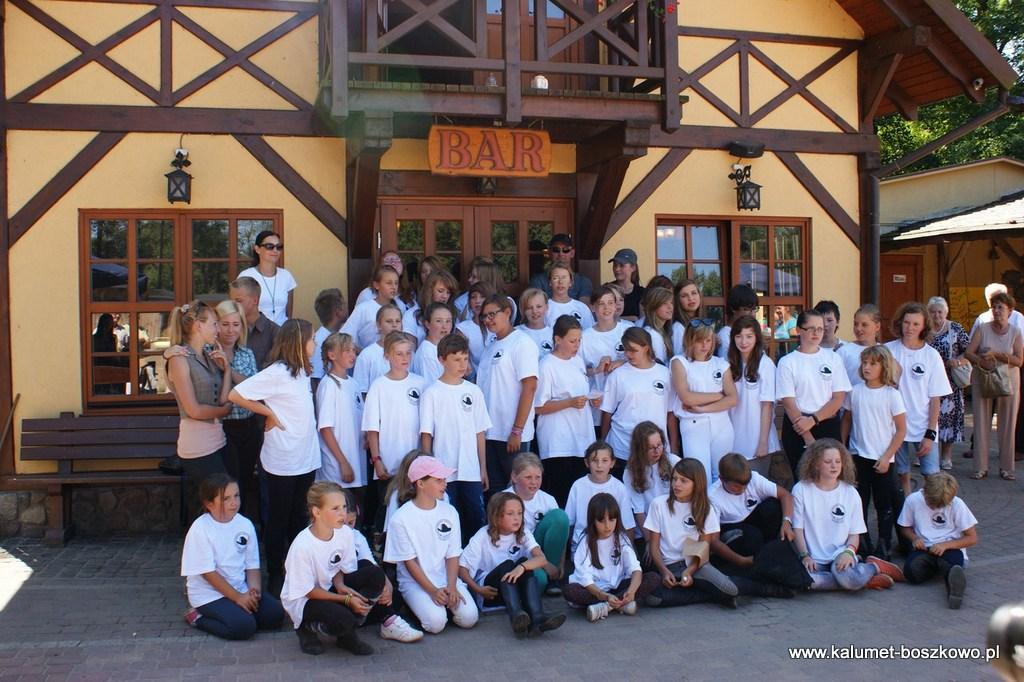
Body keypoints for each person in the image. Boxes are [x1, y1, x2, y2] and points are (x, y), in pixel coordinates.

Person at [230, 319, 320, 597]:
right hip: (283, 459)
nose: (315, 344)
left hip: (306, 457)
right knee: (278, 519)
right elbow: (236, 394)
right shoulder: (277, 372)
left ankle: (297, 571)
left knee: (299, 517)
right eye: (311, 339)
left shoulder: (303, 371)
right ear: (299, 342)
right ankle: (275, 573)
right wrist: (268, 413)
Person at [282, 481, 423, 656]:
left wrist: (341, 585)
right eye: (335, 508)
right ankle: (307, 627)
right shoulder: (302, 546)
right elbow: (308, 591)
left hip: (329, 587)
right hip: (306, 600)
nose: (342, 513)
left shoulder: (345, 532)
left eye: (343, 507)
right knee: (343, 617)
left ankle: (346, 631)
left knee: (374, 573)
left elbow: (340, 567)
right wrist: (346, 599)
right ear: (316, 512)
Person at [383, 456, 480, 634]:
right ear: (420, 483)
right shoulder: (401, 518)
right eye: (438, 480)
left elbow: (453, 554)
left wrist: (452, 586)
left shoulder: (450, 511)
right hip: (415, 583)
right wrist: (433, 591)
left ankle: (443, 605)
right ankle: (418, 608)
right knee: (436, 624)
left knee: (469, 618)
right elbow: (410, 562)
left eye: (444, 479)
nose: (445, 484)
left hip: (447, 578)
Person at [181, 474, 283, 638]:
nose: (234, 502)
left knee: (275, 615)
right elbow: (208, 573)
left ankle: (239, 612)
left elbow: (252, 566)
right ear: (209, 504)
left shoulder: (245, 524)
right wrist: (238, 598)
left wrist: (253, 591)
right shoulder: (200, 529)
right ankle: (197, 618)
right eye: (226, 499)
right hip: (209, 595)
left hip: (240, 588)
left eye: (236, 496)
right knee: (244, 627)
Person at [792, 439, 902, 592]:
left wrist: (849, 552)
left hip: (840, 554)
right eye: (828, 461)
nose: (834, 466)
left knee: (844, 576)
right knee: (806, 582)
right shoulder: (801, 489)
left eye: (838, 461)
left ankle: (872, 567)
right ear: (815, 464)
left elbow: (854, 534)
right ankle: (864, 578)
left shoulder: (850, 493)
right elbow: (797, 529)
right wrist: (805, 556)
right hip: (813, 558)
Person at [458, 493, 566, 636]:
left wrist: (522, 567)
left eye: (520, 513)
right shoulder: (482, 536)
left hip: (514, 589)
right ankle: (516, 616)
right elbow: (462, 568)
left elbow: (541, 559)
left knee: (524, 563)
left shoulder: (523, 532)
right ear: (496, 517)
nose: (517, 518)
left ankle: (537, 618)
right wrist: (477, 589)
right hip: (491, 592)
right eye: (510, 514)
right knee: (508, 564)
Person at [420, 333, 492, 542]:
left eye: (465, 358)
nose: (462, 364)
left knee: (476, 517)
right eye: (456, 359)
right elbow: (427, 434)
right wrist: (429, 469)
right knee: (449, 518)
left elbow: (480, 432)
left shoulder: (474, 391)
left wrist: (482, 468)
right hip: (444, 469)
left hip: (470, 469)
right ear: (442, 360)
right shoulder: (432, 392)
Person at [643, 459, 740, 609]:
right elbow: (654, 546)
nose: (677, 484)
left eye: (683, 481)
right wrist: (664, 571)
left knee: (731, 590)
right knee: (653, 599)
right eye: (674, 479)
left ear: (696, 483)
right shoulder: (659, 504)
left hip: (694, 564)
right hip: (669, 565)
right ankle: (710, 595)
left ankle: (707, 591)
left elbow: (703, 546)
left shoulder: (705, 508)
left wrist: (690, 570)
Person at [840, 345, 907, 560]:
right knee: (860, 501)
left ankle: (884, 544)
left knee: (883, 504)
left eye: (873, 364)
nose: (867, 367)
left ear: (884, 367)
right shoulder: (855, 391)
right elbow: (847, 420)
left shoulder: (892, 395)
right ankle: (862, 542)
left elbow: (901, 430)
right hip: (858, 457)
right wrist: (844, 449)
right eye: (864, 363)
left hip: (882, 459)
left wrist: (887, 456)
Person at [886, 302, 952, 495]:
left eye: (916, 324)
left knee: (932, 476)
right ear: (900, 323)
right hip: (894, 425)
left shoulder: (931, 356)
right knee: (901, 473)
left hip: (923, 425)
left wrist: (930, 433)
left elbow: (935, 398)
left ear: (924, 326)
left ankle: (930, 509)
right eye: (907, 323)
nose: (910, 328)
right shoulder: (888, 350)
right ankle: (906, 507)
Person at [166, 301, 231, 497]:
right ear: (198, 326)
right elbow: (193, 410)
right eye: (214, 324)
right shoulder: (179, 358)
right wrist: (224, 411)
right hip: (197, 447)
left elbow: (222, 399)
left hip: (218, 440)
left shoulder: (208, 356)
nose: (218, 330)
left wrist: (227, 369)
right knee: (219, 501)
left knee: (226, 500)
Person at [777, 309, 851, 480]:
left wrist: (814, 420)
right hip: (797, 426)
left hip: (827, 424)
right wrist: (807, 436)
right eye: (811, 328)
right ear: (798, 330)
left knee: (831, 479)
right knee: (804, 479)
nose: (816, 333)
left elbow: (838, 398)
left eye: (820, 329)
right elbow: (788, 402)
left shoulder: (833, 358)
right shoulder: (787, 362)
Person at [364, 331, 426, 532]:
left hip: (415, 461)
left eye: (408, 353)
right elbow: (372, 428)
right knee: (388, 509)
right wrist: (377, 459)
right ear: (387, 356)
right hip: (389, 463)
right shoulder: (379, 386)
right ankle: (382, 545)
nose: (405, 358)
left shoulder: (421, 383)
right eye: (399, 354)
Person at [535, 315, 601, 500]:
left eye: (579, 340)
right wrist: (569, 403)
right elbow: (538, 406)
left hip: (581, 439)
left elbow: (580, 393)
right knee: (561, 494)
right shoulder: (547, 365)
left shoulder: (577, 361)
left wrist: (591, 400)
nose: (577, 345)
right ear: (558, 339)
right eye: (572, 341)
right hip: (558, 443)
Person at [478, 294, 539, 494]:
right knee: (495, 493)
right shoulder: (490, 346)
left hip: (512, 435)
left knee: (517, 492)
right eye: (484, 316)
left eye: (492, 314)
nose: (488, 320)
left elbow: (529, 386)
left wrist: (517, 430)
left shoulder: (522, 343)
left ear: (507, 312)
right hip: (490, 433)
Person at [563, 493, 659, 621]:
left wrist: (631, 591)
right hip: (595, 590)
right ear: (593, 520)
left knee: (653, 578)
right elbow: (584, 578)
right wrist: (604, 595)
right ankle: (620, 605)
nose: (607, 526)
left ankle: (606, 607)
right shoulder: (585, 542)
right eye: (601, 521)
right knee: (570, 591)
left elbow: (635, 569)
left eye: (612, 520)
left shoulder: (621, 538)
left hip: (618, 586)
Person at [897, 472, 978, 609]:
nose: (935, 508)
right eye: (931, 504)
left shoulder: (957, 504)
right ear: (925, 492)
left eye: (941, 505)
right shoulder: (913, 500)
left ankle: (954, 588)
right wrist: (914, 538)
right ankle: (940, 569)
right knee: (911, 572)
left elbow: (972, 538)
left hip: (950, 548)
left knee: (952, 565)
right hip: (925, 548)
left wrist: (946, 545)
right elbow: (904, 527)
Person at [965, 291, 1023, 480]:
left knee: (1008, 424)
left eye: (1001, 307)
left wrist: (997, 355)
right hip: (984, 378)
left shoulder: (1016, 332)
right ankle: (980, 467)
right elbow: (968, 352)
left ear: (1010, 311)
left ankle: (1007, 468)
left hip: (1008, 381)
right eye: (994, 307)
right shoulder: (983, 329)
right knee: (981, 422)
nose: (997, 311)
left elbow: (1019, 361)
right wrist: (982, 361)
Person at [671, 319, 736, 484]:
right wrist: (718, 396)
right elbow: (686, 397)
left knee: (722, 476)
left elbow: (733, 398)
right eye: (699, 340)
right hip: (693, 425)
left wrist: (702, 408)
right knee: (699, 477)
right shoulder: (679, 362)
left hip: (722, 425)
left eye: (708, 340)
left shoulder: (721, 364)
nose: (704, 345)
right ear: (689, 340)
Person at [708, 454, 794, 576]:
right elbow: (713, 541)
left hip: (754, 518)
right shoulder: (713, 497)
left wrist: (786, 522)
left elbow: (785, 495)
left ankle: (769, 552)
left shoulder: (755, 479)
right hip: (731, 527)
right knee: (752, 536)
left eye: (745, 486)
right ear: (722, 480)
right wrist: (740, 561)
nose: (742, 490)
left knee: (772, 506)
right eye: (736, 487)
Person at [600, 327, 677, 463]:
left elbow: (670, 413)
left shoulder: (665, 373)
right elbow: (607, 412)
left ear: (646, 348)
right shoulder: (617, 375)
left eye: (633, 350)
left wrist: (674, 445)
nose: (628, 354)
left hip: (655, 449)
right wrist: (604, 445)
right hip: (622, 447)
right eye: (626, 350)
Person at [213, 300, 261, 517]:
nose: (230, 330)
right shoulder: (208, 352)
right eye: (225, 324)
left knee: (246, 480)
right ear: (216, 325)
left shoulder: (246, 353)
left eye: (235, 324)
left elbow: (253, 388)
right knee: (228, 480)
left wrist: (228, 370)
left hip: (248, 425)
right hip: (223, 426)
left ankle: (243, 524)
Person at [315, 333, 365, 510]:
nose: (352, 355)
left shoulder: (353, 383)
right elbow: (325, 428)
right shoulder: (328, 385)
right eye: (346, 351)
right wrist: (343, 462)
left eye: (353, 350)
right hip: (337, 467)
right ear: (332, 355)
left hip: (356, 461)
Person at [506, 453, 569, 592]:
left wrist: (560, 564)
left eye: (538, 477)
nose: (534, 482)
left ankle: (553, 578)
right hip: (517, 554)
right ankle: (545, 576)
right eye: (528, 477)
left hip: (541, 554)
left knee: (560, 517)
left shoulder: (548, 499)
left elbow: (561, 533)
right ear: (514, 477)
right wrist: (545, 565)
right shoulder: (504, 500)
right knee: (538, 582)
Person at [727, 316, 781, 477]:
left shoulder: (765, 365)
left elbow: (767, 406)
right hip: (732, 439)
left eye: (749, 336)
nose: (743, 342)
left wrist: (763, 442)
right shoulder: (728, 363)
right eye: (739, 336)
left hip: (757, 441)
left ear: (757, 338)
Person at [581, 285, 633, 437]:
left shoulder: (628, 330)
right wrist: (597, 370)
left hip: (626, 405)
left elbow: (645, 359)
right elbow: (578, 372)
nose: (606, 308)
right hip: (598, 406)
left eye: (610, 303)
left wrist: (622, 362)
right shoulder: (585, 337)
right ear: (593, 307)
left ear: (616, 305)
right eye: (601, 304)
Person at [623, 421, 680, 559]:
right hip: (648, 529)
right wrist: (650, 541)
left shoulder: (674, 462)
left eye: (659, 445)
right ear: (640, 449)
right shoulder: (630, 472)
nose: (657, 451)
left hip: (675, 524)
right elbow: (639, 511)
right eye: (650, 448)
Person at [926, 296, 970, 471]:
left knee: (948, 420)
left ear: (946, 312)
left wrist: (958, 361)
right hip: (928, 381)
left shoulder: (955, 329)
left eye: (940, 312)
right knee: (928, 418)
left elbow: (970, 351)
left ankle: (946, 456)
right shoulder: (924, 329)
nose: (936, 315)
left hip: (950, 382)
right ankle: (927, 453)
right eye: (933, 312)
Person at [565, 441, 634, 551]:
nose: (599, 465)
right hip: (583, 545)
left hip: (612, 547)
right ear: (587, 463)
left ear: (612, 463)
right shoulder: (578, 486)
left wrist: (629, 551)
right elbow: (568, 523)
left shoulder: (619, 488)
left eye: (604, 460)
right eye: (594, 460)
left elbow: (628, 525)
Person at [238, 230, 295, 326]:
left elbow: (288, 314)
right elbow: (240, 311)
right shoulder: (246, 276)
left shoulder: (286, 276)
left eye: (279, 247)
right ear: (257, 249)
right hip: (256, 331)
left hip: (282, 332)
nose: (275, 250)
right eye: (269, 246)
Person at [343, 264, 401, 350]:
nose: (393, 287)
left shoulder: (399, 308)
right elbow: (345, 336)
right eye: (389, 283)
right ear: (376, 285)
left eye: (396, 283)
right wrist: (363, 353)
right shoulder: (363, 309)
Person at [229, 277, 279, 369]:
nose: (233, 305)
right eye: (231, 301)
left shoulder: (275, 332)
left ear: (255, 301)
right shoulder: (229, 329)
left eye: (238, 301)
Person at [352, 304, 403, 395]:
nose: (394, 325)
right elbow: (361, 392)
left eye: (398, 321)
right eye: (389, 321)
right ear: (379, 325)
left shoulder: (409, 353)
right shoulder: (367, 355)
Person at [529, 233, 593, 304]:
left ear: (572, 253)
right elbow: (536, 307)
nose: (561, 254)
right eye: (556, 250)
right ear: (549, 252)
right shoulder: (538, 281)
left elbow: (583, 308)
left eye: (565, 250)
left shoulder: (583, 282)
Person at [403, 270, 458, 344]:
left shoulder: (452, 314)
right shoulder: (411, 315)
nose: (445, 296)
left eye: (448, 292)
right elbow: (409, 347)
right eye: (440, 291)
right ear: (429, 291)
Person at [835, 304, 882, 388]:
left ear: (877, 326)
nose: (858, 328)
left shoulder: (884, 351)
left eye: (864, 325)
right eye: (856, 324)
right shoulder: (844, 351)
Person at [456, 281, 497, 370]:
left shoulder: (499, 325)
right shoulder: (463, 329)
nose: (477, 301)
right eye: (473, 297)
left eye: (482, 297)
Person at [411, 302, 454, 383]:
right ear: (427, 324)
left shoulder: (444, 348)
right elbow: (433, 386)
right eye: (439, 321)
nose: (444, 326)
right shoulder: (427, 352)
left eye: (448, 321)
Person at [311, 289, 348, 382]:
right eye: (344, 305)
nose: (347, 308)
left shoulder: (341, 335)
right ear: (338, 311)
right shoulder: (319, 341)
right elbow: (315, 378)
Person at [545, 266, 594, 330]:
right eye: (555, 278)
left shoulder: (582, 307)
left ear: (570, 282)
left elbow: (589, 332)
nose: (560, 282)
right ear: (550, 282)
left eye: (564, 278)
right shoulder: (544, 308)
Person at [716, 285, 759, 359]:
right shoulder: (725, 336)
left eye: (754, 309)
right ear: (733, 308)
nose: (752, 314)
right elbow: (729, 364)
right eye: (747, 309)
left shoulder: (753, 332)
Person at [516, 288, 554, 356]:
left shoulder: (554, 334)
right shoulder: (515, 333)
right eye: (529, 308)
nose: (534, 311)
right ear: (523, 310)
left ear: (546, 307)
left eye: (539, 306)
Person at [608, 249, 644, 320]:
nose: (617, 269)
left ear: (633, 267)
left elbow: (643, 320)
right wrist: (633, 318)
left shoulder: (642, 293)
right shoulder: (607, 289)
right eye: (615, 265)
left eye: (621, 265)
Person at [641, 287, 674, 363]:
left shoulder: (660, 331)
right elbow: (659, 365)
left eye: (671, 302)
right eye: (664, 303)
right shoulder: (652, 334)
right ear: (654, 306)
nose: (670, 307)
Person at [671, 279, 703, 353]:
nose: (690, 298)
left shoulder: (701, 323)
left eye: (694, 293)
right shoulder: (678, 328)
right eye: (684, 296)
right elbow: (679, 357)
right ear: (678, 300)